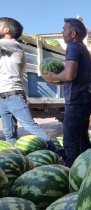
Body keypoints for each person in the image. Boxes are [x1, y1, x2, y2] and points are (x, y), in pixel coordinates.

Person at [43, 18, 91, 167]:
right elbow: (74, 77)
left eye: (64, 29)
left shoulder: (72, 46)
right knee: (82, 141)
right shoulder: (82, 48)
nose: (61, 32)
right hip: (85, 101)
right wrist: (58, 79)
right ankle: (87, 170)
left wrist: (53, 76)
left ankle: (70, 176)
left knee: (71, 145)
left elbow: (69, 75)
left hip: (76, 102)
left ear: (72, 33)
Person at [0, 17, 57, 150]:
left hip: (13, 95)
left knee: (30, 126)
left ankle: (57, 153)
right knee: (9, 133)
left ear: (7, 29)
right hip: (2, 96)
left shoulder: (14, 45)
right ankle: (16, 157)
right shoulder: (4, 50)